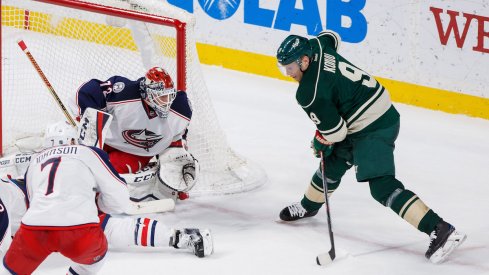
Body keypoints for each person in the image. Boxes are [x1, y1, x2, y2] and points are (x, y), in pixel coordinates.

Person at [275, 31, 466, 264]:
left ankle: (440, 229)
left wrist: (320, 141)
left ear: (304, 61)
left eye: (291, 68)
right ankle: (308, 207)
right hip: (372, 109)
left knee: (381, 187)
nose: (288, 73)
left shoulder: (309, 92)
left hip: (374, 126)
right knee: (333, 163)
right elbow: (331, 36)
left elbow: (336, 133)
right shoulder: (316, 45)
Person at [74, 66, 197, 200]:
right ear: (147, 93)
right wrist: (89, 118)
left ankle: (89, 198)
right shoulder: (123, 93)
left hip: (136, 152)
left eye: (169, 96)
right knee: (74, 162)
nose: (166, 103)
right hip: (104, 139)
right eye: (162, 97)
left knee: (107, 173)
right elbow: (90, 90)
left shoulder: (180, 107)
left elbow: (178, 133)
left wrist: (178, 151)